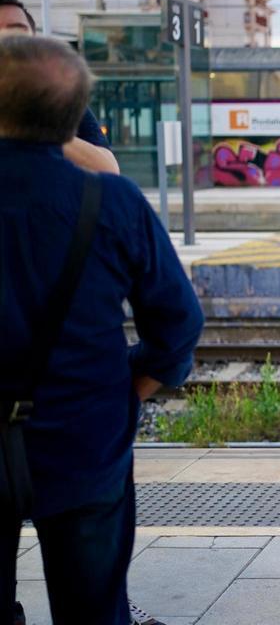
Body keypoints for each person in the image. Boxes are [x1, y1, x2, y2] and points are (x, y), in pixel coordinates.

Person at [0, 36, 204, 622]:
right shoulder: (110, 200)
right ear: (74, 120)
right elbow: (179, 325)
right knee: (94, 609)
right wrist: (130, 386)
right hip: (86, 440)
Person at [0, 0, 118, 175]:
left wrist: (33, 129)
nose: (7, 40)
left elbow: (108, 168)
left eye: (17, 32)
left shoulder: (55, 97)